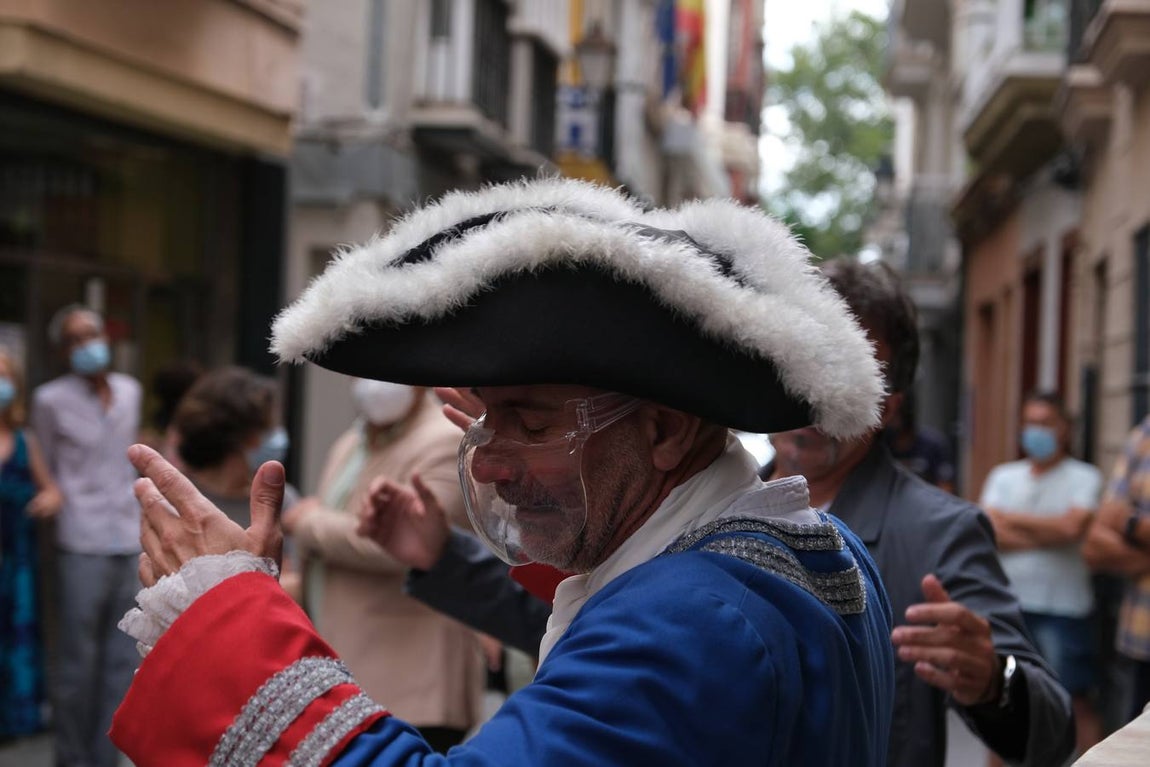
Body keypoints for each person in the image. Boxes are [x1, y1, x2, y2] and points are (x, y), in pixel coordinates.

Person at [109, 179, 895, 766]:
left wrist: (222, 619)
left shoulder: (688, 620)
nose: (485, 454)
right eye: (487, 416)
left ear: (663, 429)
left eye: (531, 419)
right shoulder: (819, 547)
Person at [762, 261, 1074, 767]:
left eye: (846, 371)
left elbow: (1052, 728)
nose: (815, 393)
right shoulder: (703, 506)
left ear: (888, 408)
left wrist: (993, 680)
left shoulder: (941, 533)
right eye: (804, 357)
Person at [282, 380, 485, 753]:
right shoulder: (352, 442)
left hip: (414, 677)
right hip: (351, 669)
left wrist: (307, 522)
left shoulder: (444, 438)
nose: (375, 385)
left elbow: (407, 544)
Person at [31, 305, 141, 767]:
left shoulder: (129, 391)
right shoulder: (49, 400)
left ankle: (105, 757)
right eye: (75, 339)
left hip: (128, 536)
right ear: (63, 350)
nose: (86, 346)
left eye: (91, 335)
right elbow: (43, 464)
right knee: (78, 662)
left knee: (121, 661)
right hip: (80, 537)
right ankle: (71, 758)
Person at [980, 391, 1104, 753]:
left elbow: (1072, 529)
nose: (1036, 432)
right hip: (1009, 608)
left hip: (1065, 610)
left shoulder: (1085, 477)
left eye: (1045, 423)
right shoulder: (1004, 476)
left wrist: (1010, 522)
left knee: (1074, 701)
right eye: (1030, 423)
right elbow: (987, 532)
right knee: (1003, 704)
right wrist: (1052, 531)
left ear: (1064, 429)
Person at [168, 366, 302, 597]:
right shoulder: (178, 502)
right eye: (268, 426)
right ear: (244, 437)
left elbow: (299, 585)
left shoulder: (281, 499)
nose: (278, 434)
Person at [0, 347, 61, 739]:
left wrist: (44, 501)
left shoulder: (24, 439)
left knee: (15, 640)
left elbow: (53, 492)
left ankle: (15, 718)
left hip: (16, 561)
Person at [1082, 414, 1150, 722]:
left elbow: (1119, 517)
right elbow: (1098, 536)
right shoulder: (1145, 435)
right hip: (1142, 638)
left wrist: (1133, 523)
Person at [883, 391, 956, 493]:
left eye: (896, 416)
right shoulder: (881, 445)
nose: (892, 421)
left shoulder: (933, 444)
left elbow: (945, 486)